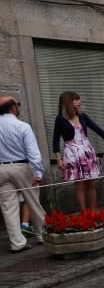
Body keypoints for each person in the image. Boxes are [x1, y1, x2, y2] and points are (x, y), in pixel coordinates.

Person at [0, 95, 45, 252]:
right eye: (17, 104)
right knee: (33, 201)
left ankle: (17, 243)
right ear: (13, 108)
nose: (18, 107)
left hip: (1, 169)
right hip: (21, 166)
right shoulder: (23, 126)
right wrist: (38, 172)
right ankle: (43, 235)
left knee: (8, 206)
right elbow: (33, 153)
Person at [52, 91, 104, 212]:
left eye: (79, 99)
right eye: (75, 99)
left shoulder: (83, 117)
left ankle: (92, 212)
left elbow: (98, 130)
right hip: (72, 152)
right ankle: (84, 213)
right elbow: (55, 139)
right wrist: (58, 159)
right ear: (68, 102)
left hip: (86, 150)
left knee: (90, 183)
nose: (78, 102)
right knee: (79, 185)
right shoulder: (60, 119)